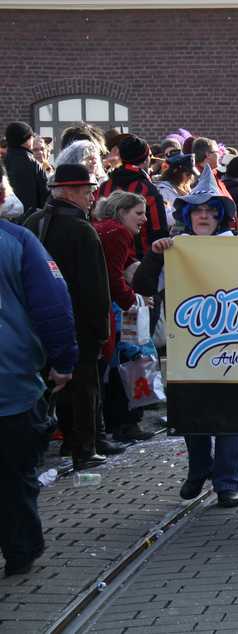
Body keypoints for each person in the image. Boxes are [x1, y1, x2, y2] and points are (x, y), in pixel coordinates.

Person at [133, 167, 238, 508]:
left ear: (220, 216)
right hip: (189, 348)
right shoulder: (177, 248)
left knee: (230, 418)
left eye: (210, 211)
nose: (203, 216)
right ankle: (198, 470)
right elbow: (143, 286)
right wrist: (155, 254)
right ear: (188, 216)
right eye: (197, 211)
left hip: (233, 347)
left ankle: (227, 483)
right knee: (193, 415)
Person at [0, 199, 78, 578]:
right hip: (11, 384)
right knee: (14, 474)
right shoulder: (17, 241)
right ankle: (20, 550)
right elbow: (53, 304)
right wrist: (63, 360)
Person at [23, 164, 112, 469]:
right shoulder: (82, 230)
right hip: (78, 322)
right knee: (84, 387)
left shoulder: (33, 222)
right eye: (87, 192)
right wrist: (101, 331)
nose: (91, 198)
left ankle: (52, 444)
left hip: (36, 321)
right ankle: (83, 449)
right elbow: (95, 287)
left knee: (47, 385)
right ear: (71, 192)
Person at [92, 191, 155, 442]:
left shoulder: (103, 228)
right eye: (139, 213)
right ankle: (126, 423)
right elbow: (115, 277)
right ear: (121, 212)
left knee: (115, 368)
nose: (144, 219)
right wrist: (135, 300)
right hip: (117, 311)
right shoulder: (118, 232)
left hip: (109, 308)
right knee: (129, 361)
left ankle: (116, 422)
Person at [95, 134, 170, 259]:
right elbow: (159, 232)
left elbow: (95, 222)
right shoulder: (148, 190)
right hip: (141, 261)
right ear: (145, 159)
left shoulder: (104, 187)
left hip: (107, 258)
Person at [4, 122, 49, 217]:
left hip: (5, 216)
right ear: (26, 139)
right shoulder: (33, 162)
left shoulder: (3, 160)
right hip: (30, 217)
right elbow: (45, 194)